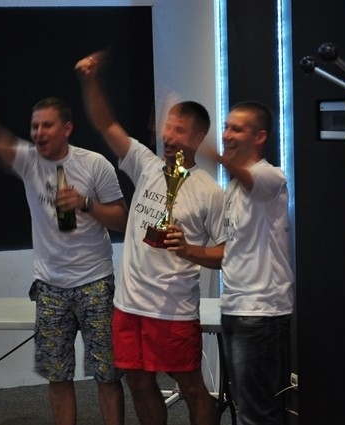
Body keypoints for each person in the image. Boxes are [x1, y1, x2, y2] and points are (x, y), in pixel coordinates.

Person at [0, 61, 127, 425]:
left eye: (47, 125)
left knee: (107, 374)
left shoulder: (95, 165)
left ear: (67, 129)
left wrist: (86, 205)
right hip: (50, 287)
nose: (38, 133)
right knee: (57, 376)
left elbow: (122, 218)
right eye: (34, 126)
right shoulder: (28, 161)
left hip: (94, 283)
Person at [75, 52, 226, 425]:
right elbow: (106, 124)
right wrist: (91, 81)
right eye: (168, 128)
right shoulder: (146, 163)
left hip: (172, 309)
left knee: (191, 387)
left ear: (198, 137)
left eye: (180, 130)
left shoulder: (209, 191)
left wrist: (188, 249)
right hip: (129, 305)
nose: (169, 137)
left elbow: (226, 254)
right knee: (139, 383)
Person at [166, 101, 295, 425]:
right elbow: (228, 254)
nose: (227, 135)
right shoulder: (234, 189)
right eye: (226, 127)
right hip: (236, 308)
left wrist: (205, 148)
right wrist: (186, 249)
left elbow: (248, 176)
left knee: (258, 413)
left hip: (262, 312)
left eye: (237, 129)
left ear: (259, 137)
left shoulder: (270, 176)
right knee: (246, 406)